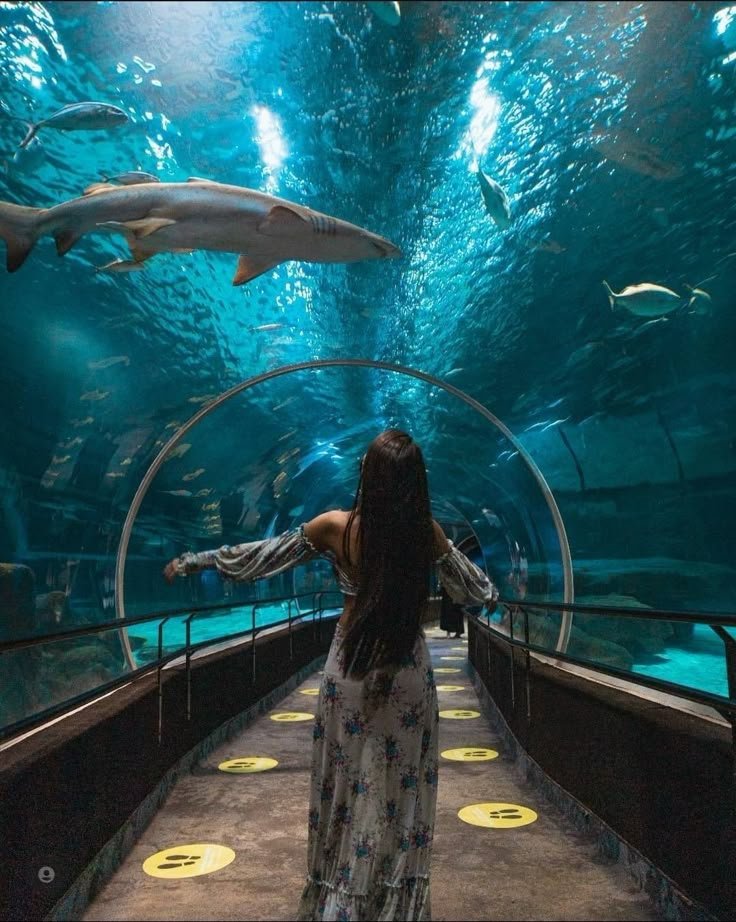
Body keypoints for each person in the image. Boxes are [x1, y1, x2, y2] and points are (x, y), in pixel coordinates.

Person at [163, 429, 499, 921]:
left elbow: (264, 556)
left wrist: (199, 560)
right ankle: (396, 901)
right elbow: (476, 589)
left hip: (350, 668)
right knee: (403, 786)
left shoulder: (334, 528)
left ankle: (338, 897)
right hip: (406, 671)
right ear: (415, 482)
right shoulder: (425, 532)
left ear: (367, 475)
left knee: (343, 783)